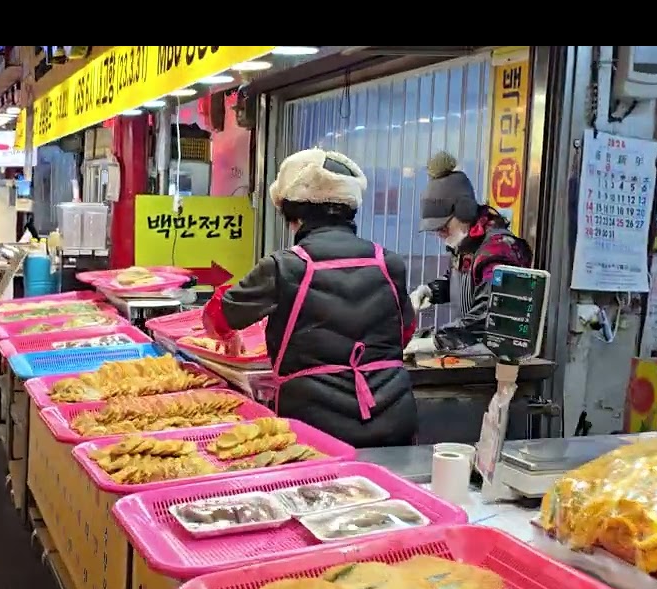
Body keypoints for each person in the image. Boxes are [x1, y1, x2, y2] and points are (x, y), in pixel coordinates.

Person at [201, 148, 418, 448]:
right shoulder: (389, 263)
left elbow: (218, 315)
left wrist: (226, 334)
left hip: (315, 430)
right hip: (394, 422)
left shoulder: (284, 266)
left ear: (294, 214)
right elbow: (404, 332)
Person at [403, 152, 534, 356]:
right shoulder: (468, 246)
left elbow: (487, 315)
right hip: (472, 354)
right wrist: (431, 290)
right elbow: (466, 283)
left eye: (443, 226)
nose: (440, 233)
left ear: (465, 210)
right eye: (435, 229)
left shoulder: (498, 251)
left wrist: (435, 342)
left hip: (498, 362)